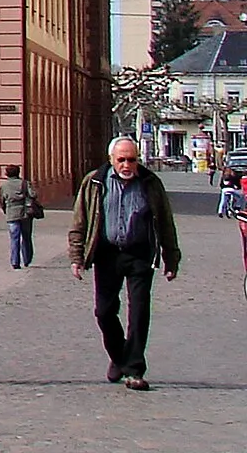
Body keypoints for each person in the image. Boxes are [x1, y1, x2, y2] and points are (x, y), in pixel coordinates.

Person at [69, 136, 181, 391]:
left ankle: (134, 369)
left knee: (139, 312)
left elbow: (165, 222)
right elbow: (79, 220)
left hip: (140, 255)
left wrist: (171, 257)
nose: (127, 165)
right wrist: (77, 256)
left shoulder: (150, 183)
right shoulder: (95, 182)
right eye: (122, 160)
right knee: (104, 312)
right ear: (111, 160)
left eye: (132, 159)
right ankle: (119, 356)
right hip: (107, 254)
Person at [0, 164, 38, 269]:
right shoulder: (25, 183)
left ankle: (15, 261)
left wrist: (6, 211)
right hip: (25, 213)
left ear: (7, 174)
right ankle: (27, 259)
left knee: (14, 238)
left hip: (11, 214)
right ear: (18, 172)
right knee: (26, 237)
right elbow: (33, 195)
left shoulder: (4, 186)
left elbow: (2, 201)